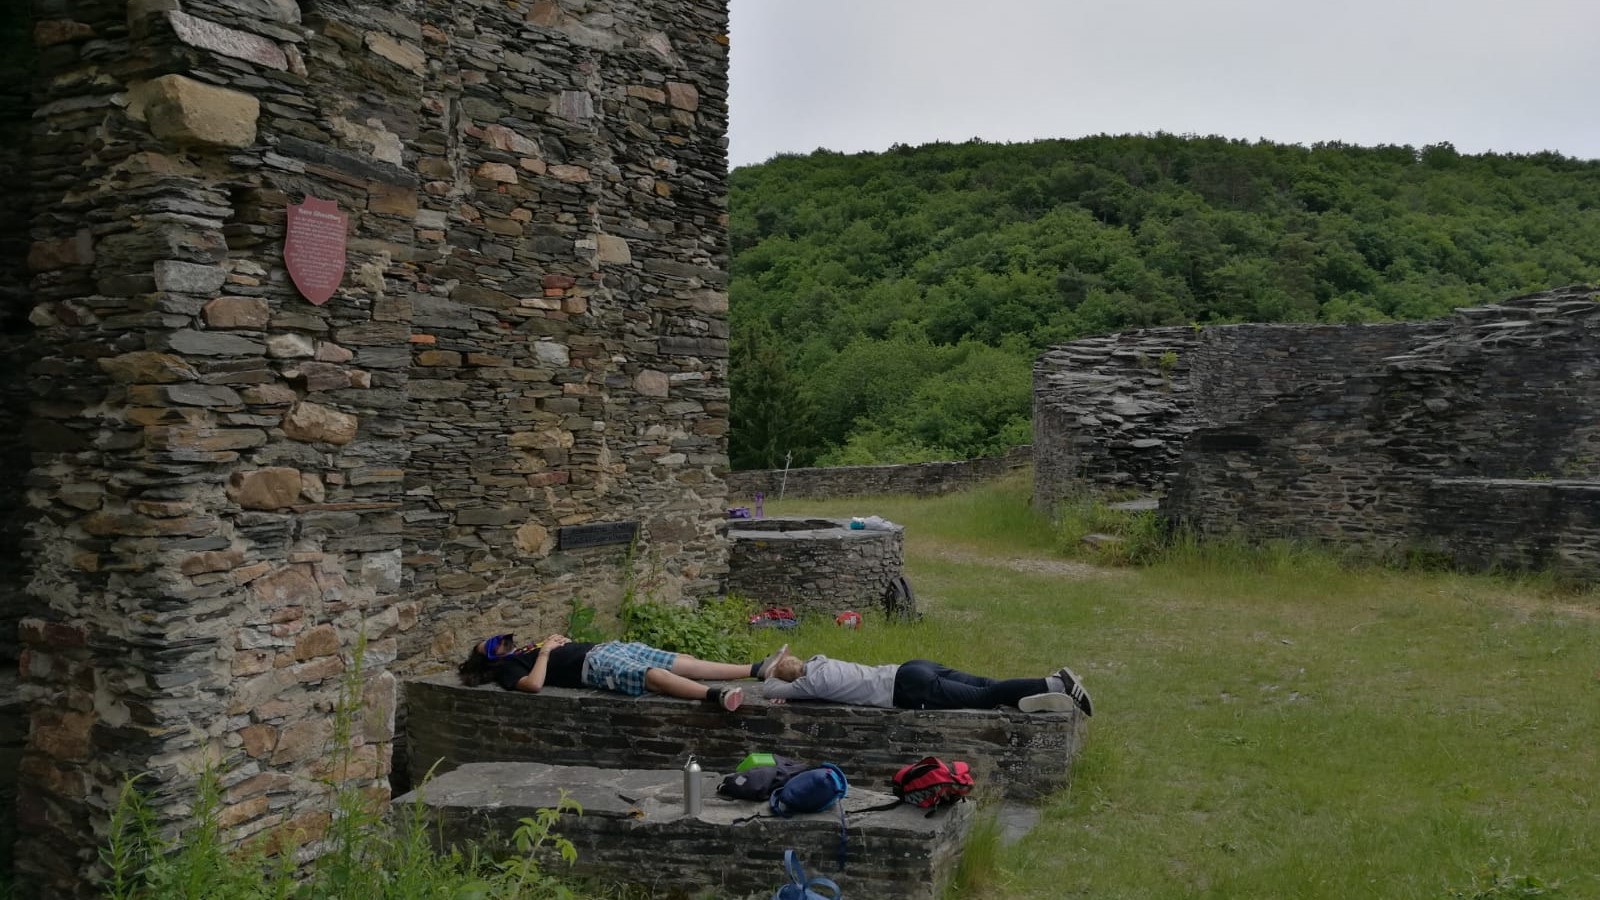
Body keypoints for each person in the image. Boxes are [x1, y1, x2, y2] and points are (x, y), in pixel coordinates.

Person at [459, 633, 790, 713]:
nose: (502, 644)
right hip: (594, 667)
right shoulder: (509, 669)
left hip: (605, 649)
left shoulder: (521, 651)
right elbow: (533, 686)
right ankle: (715, 696)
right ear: (489, 660)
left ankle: (757, 669)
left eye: (500, 640)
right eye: (491, 647)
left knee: (678, 660)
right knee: (649, 675)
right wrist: (546, 651)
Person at [764, 650, 1093, 715]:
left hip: (907, 691)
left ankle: (1055, 683)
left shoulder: (813, 685)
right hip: (909, 668)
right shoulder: (821, 660)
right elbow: (789, 668)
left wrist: (776, 682)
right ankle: (1040, 696)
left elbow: (767, 689)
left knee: (983, 697)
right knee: (985, 684)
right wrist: (781, 659)